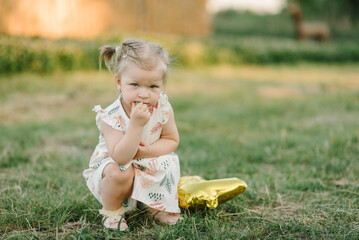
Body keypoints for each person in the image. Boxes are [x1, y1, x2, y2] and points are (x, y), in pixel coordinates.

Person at [83, 39, 182, 231]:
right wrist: (136, 125)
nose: (144, 94)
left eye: (153, 86)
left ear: (162, 85)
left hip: (148, 160)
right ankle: (112, 212)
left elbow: (171, 139)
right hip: (117, 163)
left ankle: (155, 206)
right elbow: (120, 156)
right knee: (120, 172)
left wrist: (151, 151)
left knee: (165, 164)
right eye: (135, 84)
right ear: (120, 83)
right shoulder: (110, 116)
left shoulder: (163, 108)